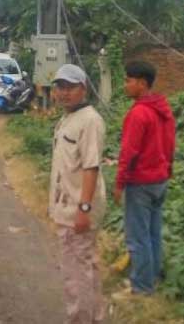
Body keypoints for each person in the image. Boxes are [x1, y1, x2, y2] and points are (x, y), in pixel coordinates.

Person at [49, 64, 106, 323]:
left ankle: (80, 318)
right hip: (66, 206)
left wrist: (84, 210)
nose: (64, 92)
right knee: (86, 267)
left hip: (78, 209)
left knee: (75, 273)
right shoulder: (69, 117)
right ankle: (95, 317)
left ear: (83, 88)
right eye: (60, 87)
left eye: (70, 87)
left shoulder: (90, 121)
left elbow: (91, 167)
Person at [113, 61, 176, 295]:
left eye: (128, 80)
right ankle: (152, 278)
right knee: (153, 233)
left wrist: (119, 184)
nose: (125, 85)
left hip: (140, 183)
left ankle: (141, 288)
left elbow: (129, 153)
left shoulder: (138, 113)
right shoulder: (163, 109)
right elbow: (170, 145)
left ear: (142, 83)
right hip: (160, 180)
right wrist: (168, 170)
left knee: (138, 237)